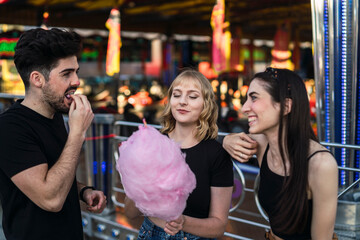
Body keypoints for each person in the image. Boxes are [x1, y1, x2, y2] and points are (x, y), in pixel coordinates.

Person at [0, 28, 107, 240]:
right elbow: (50, 199)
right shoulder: (9, 128)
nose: (76, 81)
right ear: (37, 79)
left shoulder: (55, 114)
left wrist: (83, 191)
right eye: (66, 73)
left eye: (76, 71)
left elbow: (53, 174)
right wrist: (77, 133)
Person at [222, 67, 338, 239]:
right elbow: (216, 138)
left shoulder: (320, 164)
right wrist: (226, 140)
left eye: (253, 97)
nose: (245, 108)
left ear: (285, 106)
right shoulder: (262, 143)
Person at [124, 69, 234, 239]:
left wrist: (182, 222)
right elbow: (130, 213)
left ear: (206, 104)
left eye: (192, 96)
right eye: (177, 95)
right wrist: (139, 185)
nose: (182, 101)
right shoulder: (153, 144)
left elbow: (218, 227)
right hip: (150, 233)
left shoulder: (216, 154)